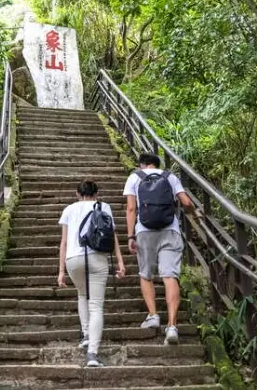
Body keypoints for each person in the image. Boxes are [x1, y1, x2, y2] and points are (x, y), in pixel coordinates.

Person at [124, 152, 198, 345]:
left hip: (144, 231)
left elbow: (131, 209)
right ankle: (172, 326)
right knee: (170, 276)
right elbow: (186, 202)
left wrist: (130, 235)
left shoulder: (134, 177)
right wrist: (195, 214)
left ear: (142, 165)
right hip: (170, 230)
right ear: (157, 164)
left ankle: (153, 315)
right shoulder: (170, 177)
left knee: (146, 274)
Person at [58, 180, 126, 367]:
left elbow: (63, 242)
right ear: (96, 194)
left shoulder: (69, 209)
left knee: (82, 294)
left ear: (77, 193)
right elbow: (112, 237)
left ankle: (86, 334)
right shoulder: (104, 206)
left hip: (73, 259)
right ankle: (92, 355)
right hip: (97, 258)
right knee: (96, 305)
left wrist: (61, 271)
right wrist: (120, 261)